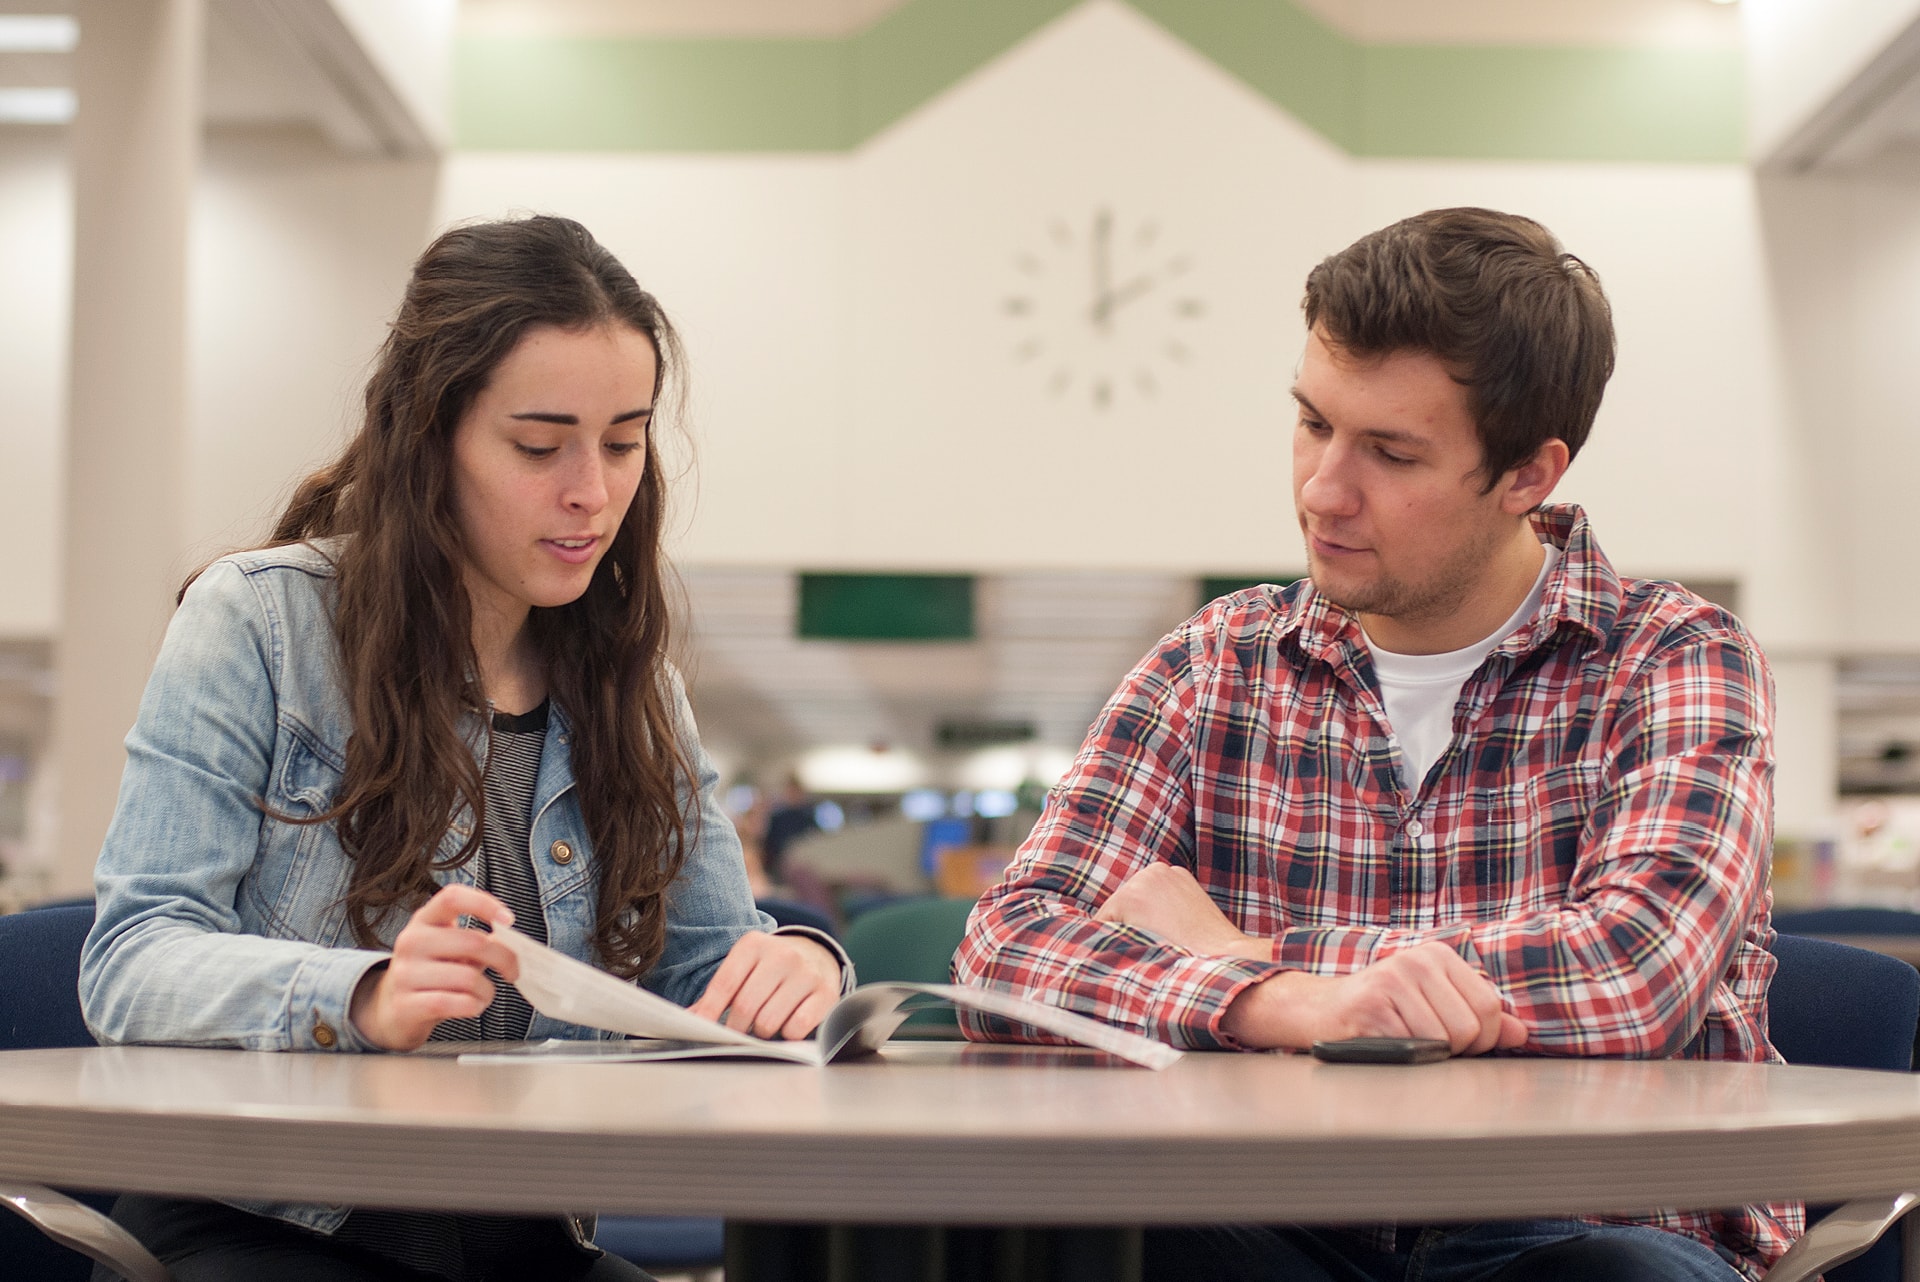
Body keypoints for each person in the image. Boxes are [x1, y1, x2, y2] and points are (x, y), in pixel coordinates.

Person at [953, 208, 1789, 1282]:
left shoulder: (1674, 658)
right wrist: (1282, 1000)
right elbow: (1005, 949)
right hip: (1278, 1215)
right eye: (1312, 423)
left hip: (1574, 1226)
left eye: (1391, 453)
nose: (1322, 489)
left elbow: (1630, 974)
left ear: (1529, 475)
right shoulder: (1218, 662)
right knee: (1025, 1233)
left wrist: (1228, 949)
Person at [79, 215, 849, 1282]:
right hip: (269, 1223)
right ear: (429, 435)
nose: (593, 489)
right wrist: (361, 994)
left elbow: (709, 965)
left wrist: (797, 966)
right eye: (540, 446)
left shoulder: (633, 687)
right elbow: (133, 959)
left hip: (522, 1238)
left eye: (625, 441)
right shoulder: (259, 625)